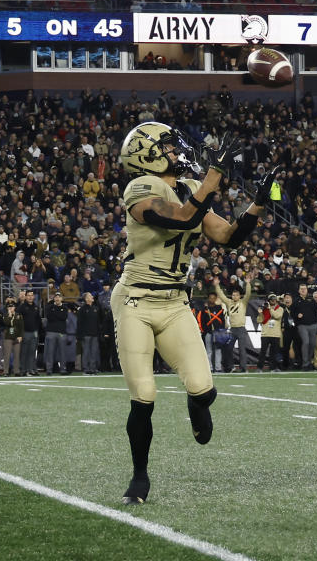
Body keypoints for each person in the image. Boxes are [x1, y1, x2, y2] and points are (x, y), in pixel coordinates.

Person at [113, 121, 276, 504]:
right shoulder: (139, 188)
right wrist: (214, 175)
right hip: (136, 301)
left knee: (204, 390)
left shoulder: (188, 190)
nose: (176, 151)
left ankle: (195, 402)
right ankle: (139, 478)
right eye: (167, 145)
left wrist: (257, 203)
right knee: (145, 395)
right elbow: (182, 217)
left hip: (173, 303)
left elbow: (228, 237)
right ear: (146, 154)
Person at [214, 278, 252, 373]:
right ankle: (231, 367)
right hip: (232, 329)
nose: (234, 296)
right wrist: (217, 285)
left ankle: (243, 368)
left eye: (236, 295)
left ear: (239, 296)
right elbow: (221, 296)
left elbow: (248, 294)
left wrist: (247, 283)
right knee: (228, 348)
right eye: (233, 295)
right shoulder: (229, 302)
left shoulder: (243, 302)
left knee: (242, 349)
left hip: (241, 329)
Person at [291, 284, 317, 370]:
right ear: (299, 291)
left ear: (307, 290)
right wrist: (297, 315)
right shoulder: (296, 301)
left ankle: (309, 361)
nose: (303, 290)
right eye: (301, 289)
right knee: (306, 342)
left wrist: (315, 321)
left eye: (304, 289)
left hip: (313, 325)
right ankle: (305, 363)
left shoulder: (311, 300)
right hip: (302, 325)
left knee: (313, 344)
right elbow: (292, 313)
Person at [256, 293, 283, 371]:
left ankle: (273, 368)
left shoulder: (280, 308)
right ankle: (259, 367)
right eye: (271, 300)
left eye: (274, 299)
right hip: (265, 333)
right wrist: (260, 313)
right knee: (263, 352)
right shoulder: (264, 309)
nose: (273, 301)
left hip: (275, 334)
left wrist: (269, 309)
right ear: (269, 301)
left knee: (274, 353)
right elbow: (259, 320)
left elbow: (277, 316)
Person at [17, 290, 41, 376]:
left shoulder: (36, 307)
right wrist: (20, 333)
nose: (30, 297)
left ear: (34, 297)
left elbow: (38, 320)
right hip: (25, 332)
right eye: (29, 295)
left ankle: (31, 369)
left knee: (32, 352)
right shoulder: (22, 307)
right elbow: (18, 321)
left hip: (34, 332)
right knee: (24, 352)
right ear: (26, 297)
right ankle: (23, 370)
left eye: (32, 295)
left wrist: (38, 331)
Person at [44, 292, 68, 375]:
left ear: (62, 298)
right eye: (56, 297)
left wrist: (55, 314)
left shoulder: (65, 308)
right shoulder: (49, 307)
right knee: (50, 352)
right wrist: (58, 315)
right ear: (54, 298)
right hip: (51, 332)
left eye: (59, 297)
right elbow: (49, 317)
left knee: (63, 352)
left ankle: (63, 369)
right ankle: (49, 369)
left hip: (61, 332)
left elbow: (64, 317)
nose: (57, 298)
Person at [0, 299, 24, 376]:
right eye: (9, 307)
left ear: (15, 307)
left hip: (17, 337)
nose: (10, 308)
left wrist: (21, 336)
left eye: (12, 306)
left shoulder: (19, 315)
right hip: (8, 337)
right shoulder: (5, 315)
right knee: (7, 355)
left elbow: (21, 327)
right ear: (7, 308)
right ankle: (6, 371)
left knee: (17, 355)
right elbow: (7, 323)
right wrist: (9, 315)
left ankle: (16, 371)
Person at [78, 293, 101, 375]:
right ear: (86, 299)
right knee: (86, 352)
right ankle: (86, 369)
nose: (92, 297)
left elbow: (98, 322)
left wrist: (99, 333)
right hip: (86, 334)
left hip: (94, 334)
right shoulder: (82, 309)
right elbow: (79, 323)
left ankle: (93, 368)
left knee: (94, 352)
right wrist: (80, 335)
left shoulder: (96, 308)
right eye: (90, 296)